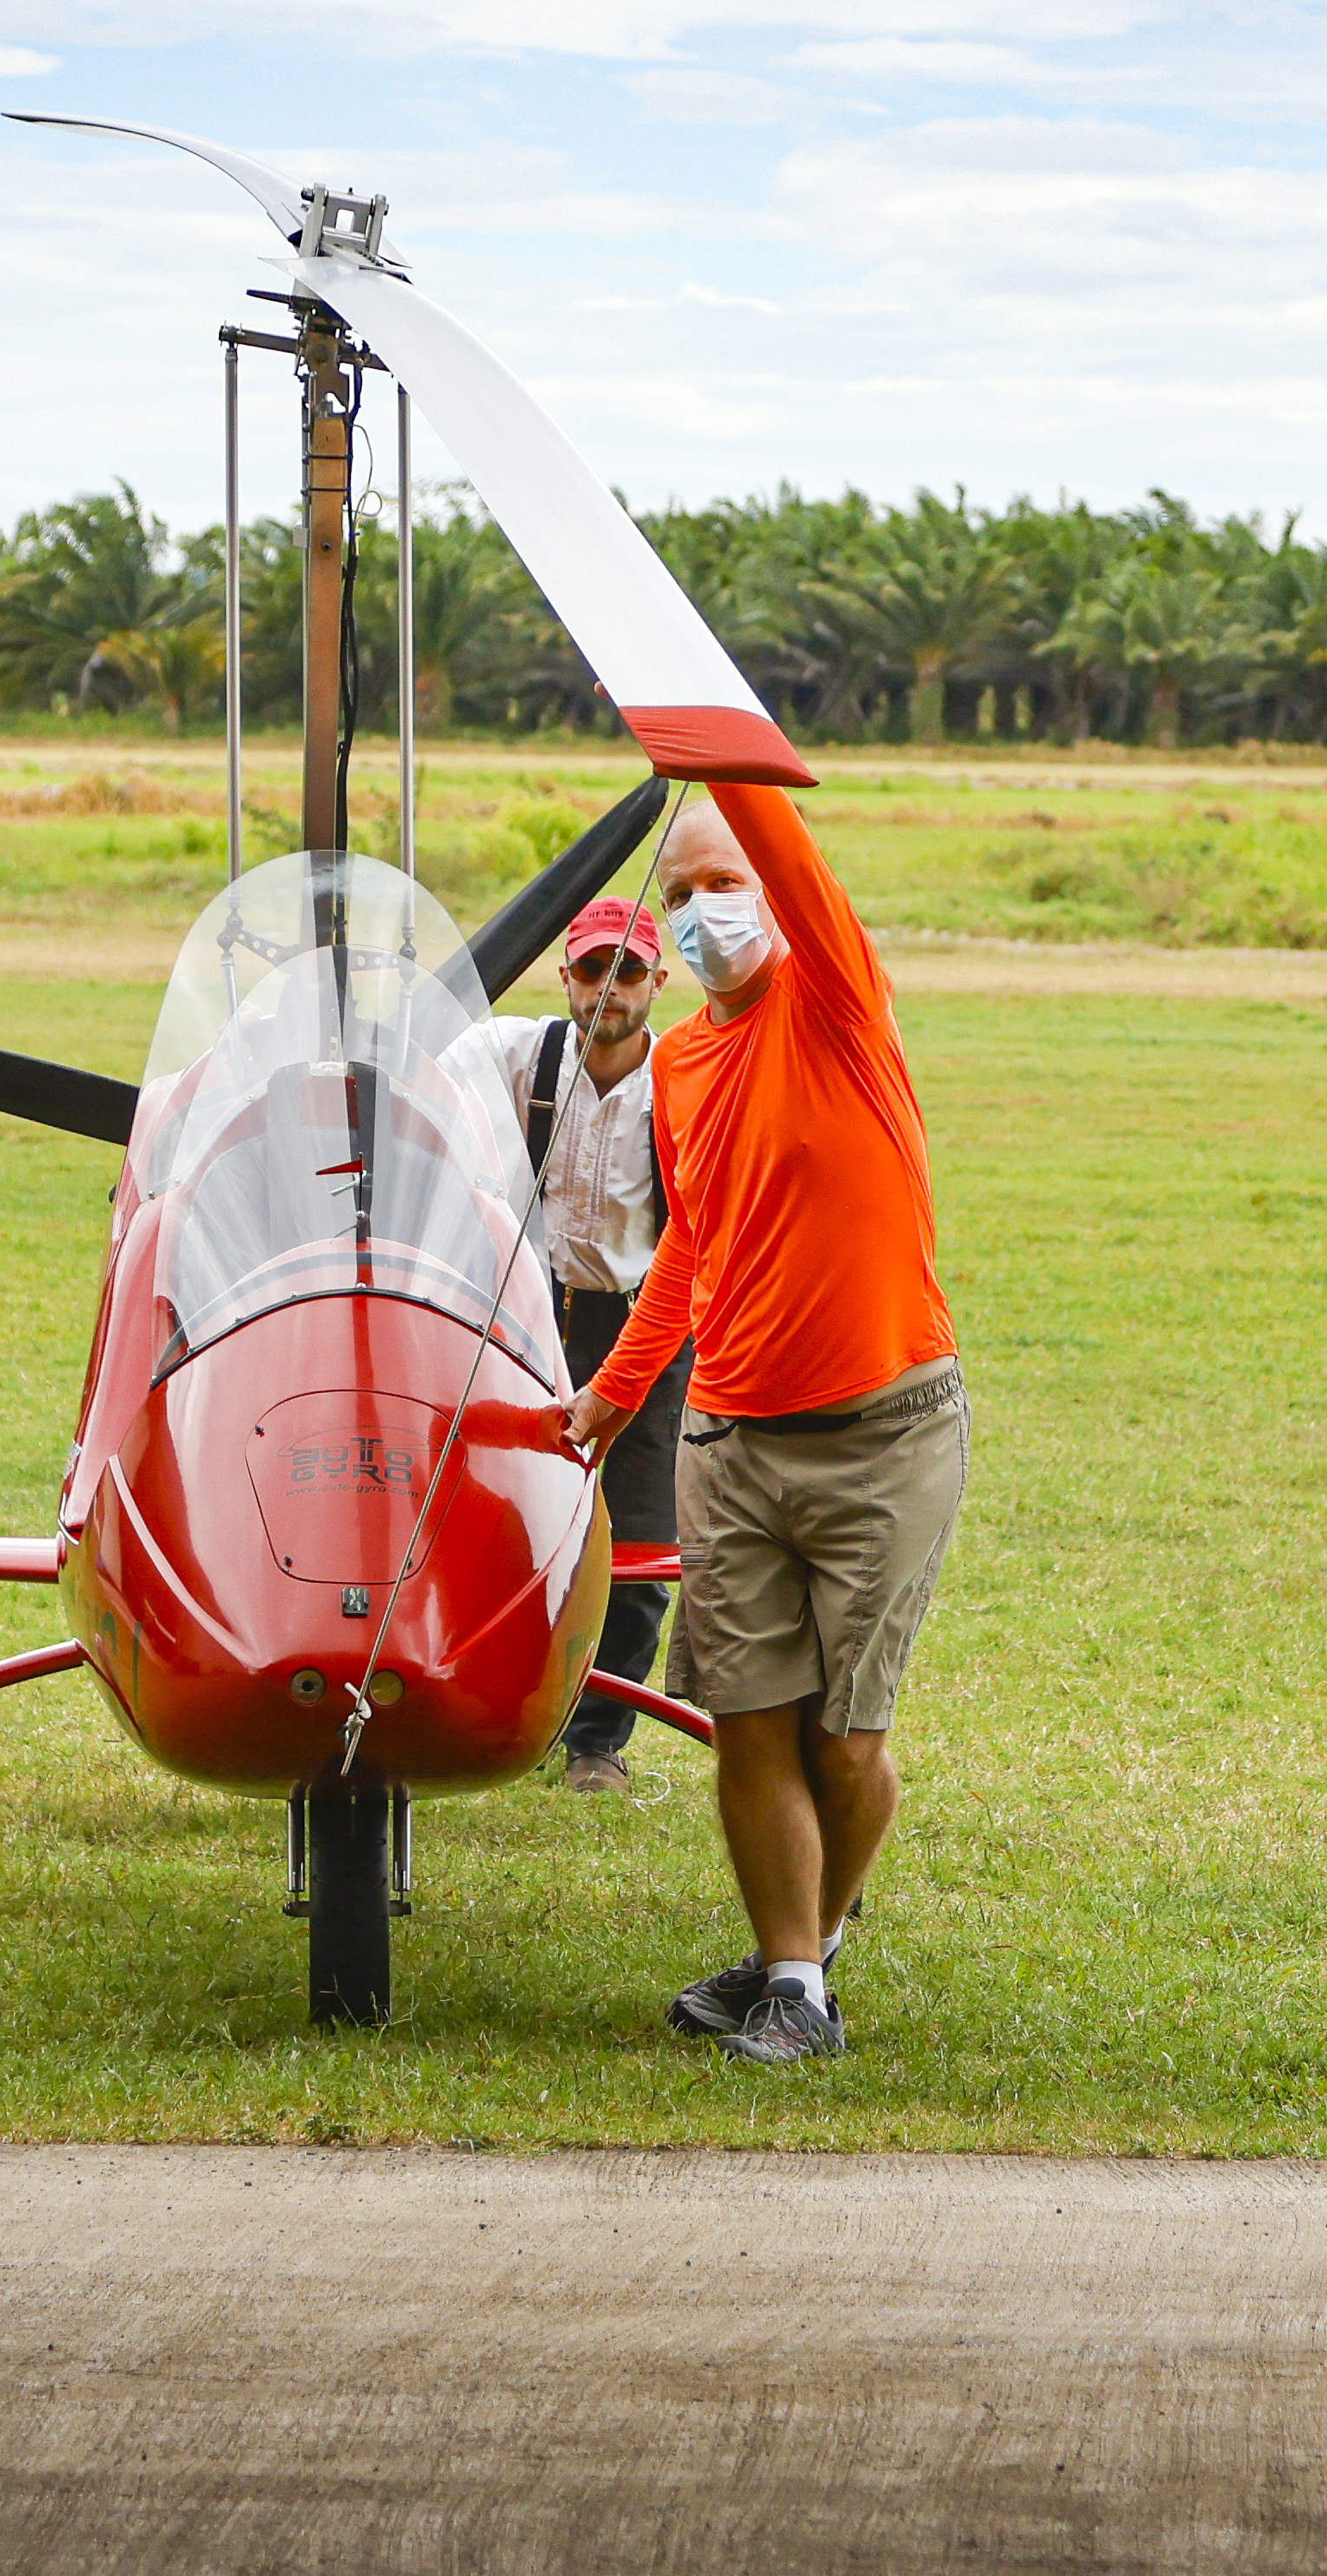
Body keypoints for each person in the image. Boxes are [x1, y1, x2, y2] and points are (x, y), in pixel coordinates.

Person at [561, 780, 961, 2069]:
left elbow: (784, 846)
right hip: (728, 1439)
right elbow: (694, 1246)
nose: (700, 915)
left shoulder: (834, 997)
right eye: (677, 896)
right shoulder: (679, 1062)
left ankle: (810, 1951)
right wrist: (615, 1396)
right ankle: (792, 1980)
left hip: (883, 1429)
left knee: (847, 1734)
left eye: (721, 886)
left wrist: (707, 747)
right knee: (748, 1714)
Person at [440, 898, 679, 1788]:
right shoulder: (513, 1053)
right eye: (590, 970)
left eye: (626, 972)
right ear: (564, 977)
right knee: (486, 1513)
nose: (606, 991)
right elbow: (416, 1071)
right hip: (524, 1309)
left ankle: (596, 1741)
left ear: (659, 981)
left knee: (641, 1540)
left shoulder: (685, 1079)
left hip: (645, 1318)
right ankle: (475, 1708)